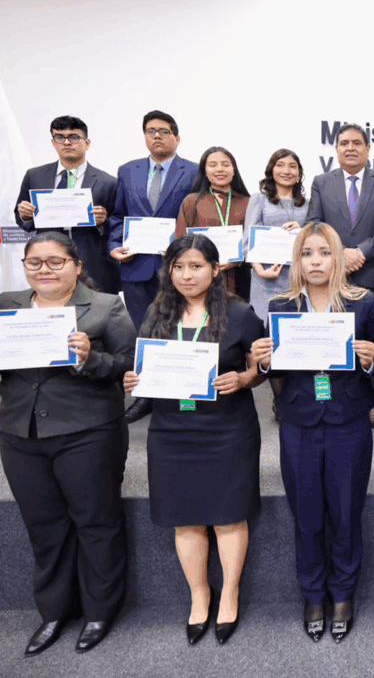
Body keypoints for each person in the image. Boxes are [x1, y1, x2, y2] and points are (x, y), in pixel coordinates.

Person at [0, 231, 133, 656]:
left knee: (96, 522)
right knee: (44, 526)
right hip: (21, 434)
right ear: (24, 267)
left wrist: (88, 359)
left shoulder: (104, 306)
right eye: (34, 262)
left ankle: (100, 609)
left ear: (77, 266)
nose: (45, 270)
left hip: (88, 432)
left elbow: (129, 365)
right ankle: (56, 610)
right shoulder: (8, 304)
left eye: (55, 261)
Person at [123, 234, 264, 646]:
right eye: (179, 266)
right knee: (184, 515)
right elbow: (144, 366)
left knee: (228, 514)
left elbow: (262, 368)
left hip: (227, 428)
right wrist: (135, 380)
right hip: (171, 430)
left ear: (215, 270)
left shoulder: (240, 314)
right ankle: (200, 594)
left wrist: (244, 377)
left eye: (197, 266)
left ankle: (230, 594)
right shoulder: (157, 311)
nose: (187, 274)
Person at [249, 222, 374, 644]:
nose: (315, 261)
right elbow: (272, 372)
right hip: (299, 423)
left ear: (338, 258)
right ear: (297, 260)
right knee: (306, 514)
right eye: (307, 253)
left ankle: (342, 594)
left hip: (347, 421)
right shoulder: (280, 305)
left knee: (346, 513)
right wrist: (264, 361)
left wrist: (369, 359)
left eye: (324, 253)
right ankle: (313, 594)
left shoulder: (364, 304)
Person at [307, 123, 374, 429]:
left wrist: (359, 252)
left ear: (368, 149)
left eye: (357, 143)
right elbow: (315, 223)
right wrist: (339, 254)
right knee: (330, 335)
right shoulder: (322, 182)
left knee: (372, 340)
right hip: (330, 276)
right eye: (344, 142)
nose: (350, 148)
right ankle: (330, 397)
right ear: (336, 149)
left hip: (372, 273)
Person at [107, 110, 196, 423]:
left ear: (176, 137)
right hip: (137, 266)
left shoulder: (194, 171)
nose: (157, 136)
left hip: (179, 269)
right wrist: (114, 245)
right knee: (145, 332)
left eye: (163, 131)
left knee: (180, 331)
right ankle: (146, 395)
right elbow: (118, 216)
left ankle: (183, 391)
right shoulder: (128, 171)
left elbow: (196, 217)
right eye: (150, 131)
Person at [14, 116, 120, 294]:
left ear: (87, 143)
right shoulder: (35, 176)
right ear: (53, 142)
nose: (66, 142)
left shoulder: (108, 182)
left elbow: (119, 224)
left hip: (94, 265)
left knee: (97, 318)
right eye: (59, 137)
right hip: (49, 264)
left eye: (73, 137)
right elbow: (22, 220)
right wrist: (25, 215)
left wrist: (103, 221)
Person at [175, 147, 252, 300]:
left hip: (239, 277)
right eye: (212, 165)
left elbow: (254, 242)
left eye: (225, 164)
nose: (219, 169)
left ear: (234, 169)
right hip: (201, 278)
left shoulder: (248, 202)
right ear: (204, 170)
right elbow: (180, 241)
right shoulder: (191, 201)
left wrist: (238, 259)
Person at [246, 148, 308, 318]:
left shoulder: (309, 204)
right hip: (266, 278)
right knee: (264, 329)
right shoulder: (259, 199)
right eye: (280, 165)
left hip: (300, 279)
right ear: (271, 170)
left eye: (292, 166)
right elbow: (248, 241)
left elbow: (316, 239)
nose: (286, 171)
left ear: (299, 173)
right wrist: (260, 271)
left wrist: (302, 231)